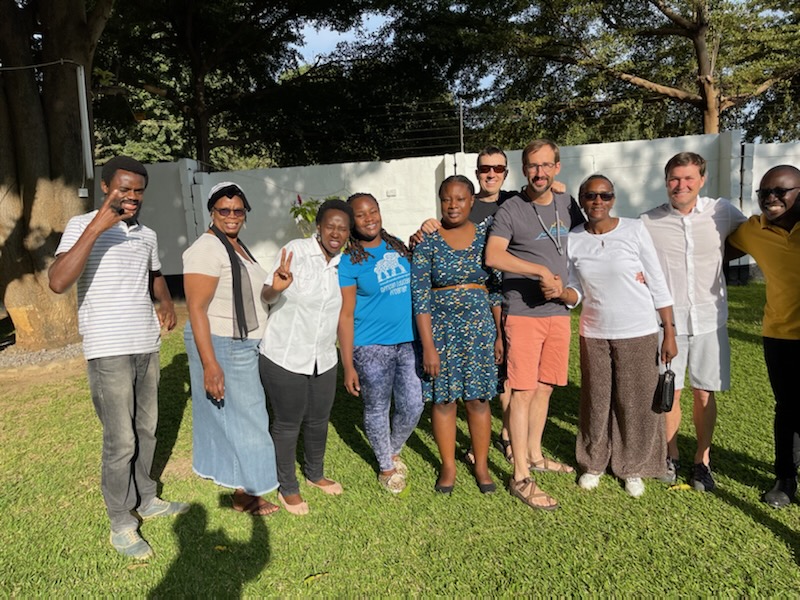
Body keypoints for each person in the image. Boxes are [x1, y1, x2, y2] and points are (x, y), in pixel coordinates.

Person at [48, 156, 187, 560]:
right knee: (120, 438)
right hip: (107, 346)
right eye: (124, 188)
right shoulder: (81, 226)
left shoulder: (147, 235)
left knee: (146, 430)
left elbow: (154, 273)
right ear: (106, 187)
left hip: (145, 343)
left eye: (139, 190)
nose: (132, 196)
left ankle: (146, 498)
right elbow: (58, 281)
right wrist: (97, 226)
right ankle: (121, 521)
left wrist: (165, 302)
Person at [555, 175, 677, 497]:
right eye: (590, 196)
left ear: (613, 198)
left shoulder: (634, 230)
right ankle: (593, 462)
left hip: (638, 330)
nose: (598, 201)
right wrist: (564, 294)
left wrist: (669, 331)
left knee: (635, 401)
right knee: (596, 400)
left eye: (605, 195)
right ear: (582, 200)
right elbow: (575, 286)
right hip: (594, 332)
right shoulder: (574, 238)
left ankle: (632, 467)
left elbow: (657, 281)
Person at [485, 138, 585, 511]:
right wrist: (538, 270)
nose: (539, 172)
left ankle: (536, 454)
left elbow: (585, 243)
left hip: (558, 311)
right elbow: (494, 255)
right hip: (524, 312)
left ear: (557, 167)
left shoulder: (567, 203)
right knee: (523, 391)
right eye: (532, 165)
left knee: (545, 388)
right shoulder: (512, 209)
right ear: (524, 168)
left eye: (545, 165)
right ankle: (521, 475)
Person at [640, 152, 746, 491]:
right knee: (670, 390)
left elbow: (748, 237)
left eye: (688, 178)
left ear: (702, 180)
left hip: (710, 318)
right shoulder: (648, 221)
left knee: (704, 392)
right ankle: (670, 455)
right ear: (666, 181)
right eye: (674, 178)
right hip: (668, 323)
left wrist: (720, 255)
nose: (681, 185)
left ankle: (702, 460)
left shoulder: (722, 211)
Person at [183, 182, 279, 517]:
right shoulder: (207, 249)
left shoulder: (237, 246)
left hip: (243, 343)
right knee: (248, 417)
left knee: (240, 417)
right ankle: (246, 492)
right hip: (223, 343)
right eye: (224, 210)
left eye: (238, 210)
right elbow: (196, 308)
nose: (232, 215)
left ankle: (242, 486)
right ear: (212, 212)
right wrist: (210, 364)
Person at [259, 199, 353, 515]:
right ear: (319, 227)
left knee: (318, 420)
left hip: (323, 357)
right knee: (288, 423)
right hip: (285, 354)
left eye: (343, 228)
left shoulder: (345, 263)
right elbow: (267, 295)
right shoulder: (295, 251)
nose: (336, 233)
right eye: (330, 226)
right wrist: (276, 287)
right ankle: (287, 487)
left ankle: (315, 474)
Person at [411, 175, 503, 494]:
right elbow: (420, 297)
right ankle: (448, 465)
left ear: (472, 201)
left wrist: (499, 335)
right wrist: (428, 346)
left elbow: (495, 290)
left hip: (479, 330)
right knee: (444, 400)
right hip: (441, 332)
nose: (453, 205)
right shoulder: (428, 243)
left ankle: (481, 464)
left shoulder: (486, 239)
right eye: (447, 199)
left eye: (460, 199)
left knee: (478, 399)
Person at [337, 193, 424, 494]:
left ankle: (393, 449)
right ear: (351, 222)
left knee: (413, 404)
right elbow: (345, 314)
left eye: (373, 211)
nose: (369, 218)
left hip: (408, 342)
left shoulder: (398, 247)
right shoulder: (349, 261)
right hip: (370, 347)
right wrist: (348, 364)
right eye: (360, 215)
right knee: (377, 407)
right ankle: (386, 467)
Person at [728, 165, 800, 508]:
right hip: (779, 334)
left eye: (780, 191)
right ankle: (785, 478)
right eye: (764, 192)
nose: (771, 198)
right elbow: (715, 251)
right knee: (787, 408)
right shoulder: (754, 230)